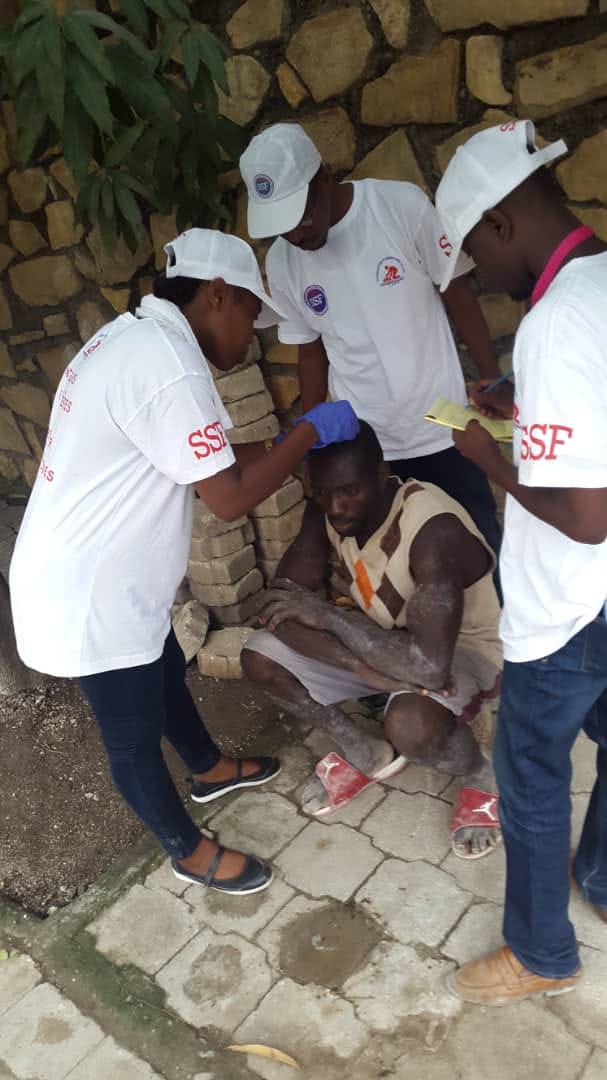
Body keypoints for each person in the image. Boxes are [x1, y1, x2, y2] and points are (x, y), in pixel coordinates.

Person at [9, 228, 359, 897]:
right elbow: (228, 499)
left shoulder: (138, 338)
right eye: (249, 320)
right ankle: (187, 850)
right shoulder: (166, 363)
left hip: (107, 575)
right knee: (131, 737)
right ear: (218, 295)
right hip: (87, 593)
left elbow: (212, 464)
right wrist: (309, 434)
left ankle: (207, 767)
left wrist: (287, 441)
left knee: (165, 663)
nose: (250, 339)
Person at [433, 119, 607, 1003]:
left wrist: (488, 457)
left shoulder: (556, 322)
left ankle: (540, 955)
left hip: (570, 604)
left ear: (500, 223)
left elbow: (585, 516)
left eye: (473, 253)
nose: (479, 277)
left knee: (530, 774)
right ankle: (603, 883)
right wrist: (520, 401)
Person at [239, 122, 503, 565]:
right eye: (282, 227)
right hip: (364, 446)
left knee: (476, 549)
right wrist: (314, 437)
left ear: (323, 177)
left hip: (442, 427)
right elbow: (310, 348)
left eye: (300, 217)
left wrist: (490, 375)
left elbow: (455, 290)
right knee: (392, 568)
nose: (296, 235)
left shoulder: (397, 207)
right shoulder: (284, 262)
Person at [241, 420, 503, 859]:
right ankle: (363, 750)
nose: (336, 507)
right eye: (323, 493)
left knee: (409, 724)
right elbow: (277, 609)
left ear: (381, 475)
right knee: (260, 658)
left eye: (349, 491)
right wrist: (361, 668)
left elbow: (428, 667)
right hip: (379, 649)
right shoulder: (326, 512)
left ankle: (481, 774)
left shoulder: (431, 528)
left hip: (463, 653)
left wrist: (328, 616)